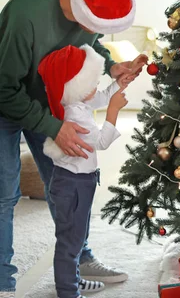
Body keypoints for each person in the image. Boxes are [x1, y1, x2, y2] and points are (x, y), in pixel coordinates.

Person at [0, 0, 143, 297]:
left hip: (50, 99)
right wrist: (54, 127)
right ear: (80, 10)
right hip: (4, 97)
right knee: (5, 192)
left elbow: (89, 49)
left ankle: (81, 258)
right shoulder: (27, 12)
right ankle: (3, 277)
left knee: (63, 183)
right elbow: (4, 88)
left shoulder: (91, 7)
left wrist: (111, 66)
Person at [39, 44, 133, 298]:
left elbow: (97, 97)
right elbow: (101, 141)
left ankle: (74, 279)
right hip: (74, 185)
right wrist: (113, 110)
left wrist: (117, 86)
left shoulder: (73, 102)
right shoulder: (74, 117)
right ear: (75, 87)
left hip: (79, 182)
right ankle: (68, 290)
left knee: (77, 235)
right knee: (70, 241)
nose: (95, 88)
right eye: (90, 82)